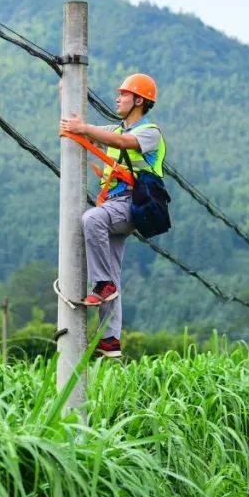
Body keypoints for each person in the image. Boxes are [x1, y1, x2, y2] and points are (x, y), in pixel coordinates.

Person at [58, 73, 165, 359]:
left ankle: (102, 286)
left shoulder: (149, 132)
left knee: (92, 219)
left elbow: (123, 143)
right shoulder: (115, 131)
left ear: (139, 100)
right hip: (117, 204)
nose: (117, 98)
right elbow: (91, 130)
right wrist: (66, 93)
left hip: (133, 204)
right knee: (112, 273)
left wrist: (85, 128)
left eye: (123, 95)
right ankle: (110, 340)